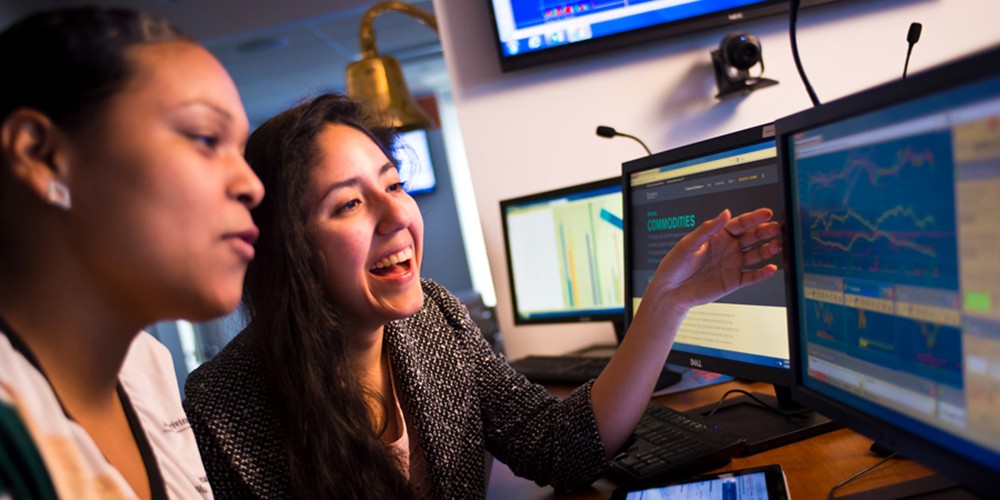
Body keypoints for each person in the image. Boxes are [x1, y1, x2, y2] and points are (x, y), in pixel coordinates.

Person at [183, 93, 781, 499]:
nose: (398, 214)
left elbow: (559, 448)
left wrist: (666, 305)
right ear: (287, 249)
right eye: (350, 203)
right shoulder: (224, 410)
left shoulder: (434, 320)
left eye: (395, 184)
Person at [0, 6, 264, 499]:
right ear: (42, 155)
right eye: (205, 139)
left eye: (241, 153)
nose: (252, 186)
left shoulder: (149, 368)